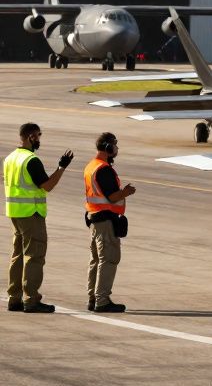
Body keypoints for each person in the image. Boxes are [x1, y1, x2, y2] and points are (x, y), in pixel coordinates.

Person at [5, 123, 73, 313]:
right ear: (30, 137)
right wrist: (61, 167)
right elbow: (47, 186)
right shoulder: (31, 160)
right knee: (34, 256)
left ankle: (14, 298)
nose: (39, 139)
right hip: (31, 213)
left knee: (18, 255)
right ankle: (31, 299)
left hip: (15, 212)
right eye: (38, 135)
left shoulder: (10, 158)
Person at [83, 132, 135, 313]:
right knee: (109, 259)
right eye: (115, 145)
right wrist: (126, 192)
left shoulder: (91, 166)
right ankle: (102, 300)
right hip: (105, 221)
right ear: (108, 147)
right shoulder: (103, 169)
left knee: (96, 260)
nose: (116, 149)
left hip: (95, 219)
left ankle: (93, 297)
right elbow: (112, 197)